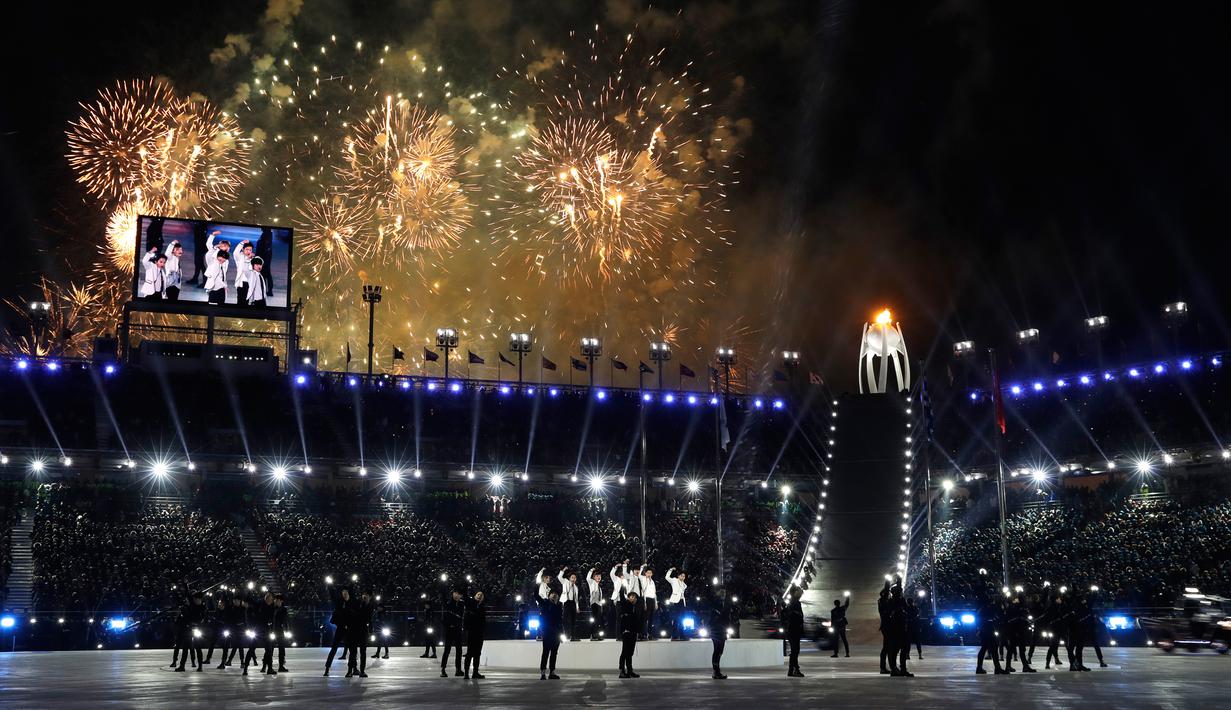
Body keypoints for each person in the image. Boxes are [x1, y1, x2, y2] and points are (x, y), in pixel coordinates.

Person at [324, 586, 354, 676]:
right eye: (343, 593)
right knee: (334, 648)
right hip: (341, 628)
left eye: (346, 592)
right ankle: (327, 669)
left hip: (349, 628)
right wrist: (330, 587)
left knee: (352, 650)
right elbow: (333, 596)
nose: (344, 594)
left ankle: (353, 669)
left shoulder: (352, 603)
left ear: (348, 593)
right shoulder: (339, 602)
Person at [709, 588, 739, 679]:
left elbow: (727, 616)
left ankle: (716, 671)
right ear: (717, 593)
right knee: (717, 651)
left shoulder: (725, 603)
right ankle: (716, 671)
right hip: (716, 630)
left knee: (719, 651)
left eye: (724, 592)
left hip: (722, 630)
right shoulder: (716, 603)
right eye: (721, 592)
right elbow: (713, 616)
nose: (723, 594)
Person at [174, 591, 206, 672]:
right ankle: (182, 665)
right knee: (185, 648)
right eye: (194, 599)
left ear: (200, 599)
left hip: (197, 629)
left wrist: (198, 625)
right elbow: (188, 594)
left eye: (197, 599)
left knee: (198, 648)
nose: (195, 600)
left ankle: (200, 666)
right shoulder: (192, 605)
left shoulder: (203, 608)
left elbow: (203, 620)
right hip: (189, 629)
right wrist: (185, 584)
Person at [975, 594, 1007, 674]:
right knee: (993, 648)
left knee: (984, 648)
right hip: (988, 630)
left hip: (985, 630)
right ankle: (997, 668)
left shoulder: (982, 609)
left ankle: (980, 667)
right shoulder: (987, 608)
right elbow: (994, 617)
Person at [539, 590, 564, 680]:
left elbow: (560, 621)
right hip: (547, 632)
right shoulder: (545, 603)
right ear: (549, 596)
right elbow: (536, 595)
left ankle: (552, 672)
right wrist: (537, 584)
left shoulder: (559, 605)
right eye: (552, 594)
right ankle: (542, 672)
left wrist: (561, 633)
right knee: (545, 652)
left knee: (554, 653)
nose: (554, 595)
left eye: (556, 594)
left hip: (556, 633)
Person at [441, 589, 465, 677]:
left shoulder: (462, 604)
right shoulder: (448, 603)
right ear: (453, 594)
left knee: (459, 650)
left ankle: (458, 669)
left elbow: (461, 616)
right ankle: (443, 669)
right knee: (447, 650)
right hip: (450, 630)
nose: (457, 595)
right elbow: (444, 618)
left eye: (459, 594)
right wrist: (449, 625)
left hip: (458, 629)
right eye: (456, 593)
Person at [348, 590, 373, 678]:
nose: (365, 596)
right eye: (364, 594)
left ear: (370, 597)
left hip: (363, 630)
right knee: (353, 652)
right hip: (354, 629)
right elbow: (352, 613)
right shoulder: (358, 603)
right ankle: (350, 671)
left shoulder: (369, 606)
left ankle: (362, 671)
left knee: (363, 652)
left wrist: (370, 631)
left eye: (367, 595)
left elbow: (369, 619)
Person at [782, 585, 805, 677]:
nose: (801, 593)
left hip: (791, 629)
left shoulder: (791, 603)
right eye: (799, 591)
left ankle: (791, 670)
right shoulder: (795, 603)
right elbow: (796, 617)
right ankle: (795, 669)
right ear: (795, 592)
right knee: (795, 650)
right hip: (794, 629)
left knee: (794, 650)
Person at [464, 590, 487, 679]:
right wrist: (467, 628)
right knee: (469, 653)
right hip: (472, 632)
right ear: (475, 596)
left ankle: (475, 672)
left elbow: (483, 621)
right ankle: (466, 673)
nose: (479, 596)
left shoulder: (482, 607)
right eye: (478, 594)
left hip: (479, 633)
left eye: (481, 595)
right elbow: (466, 618)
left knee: (477, 653)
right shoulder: (471, 605)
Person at [618, 590, 641, 678]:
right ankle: (622, 671)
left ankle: (630, 670)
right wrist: (622, 586)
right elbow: (621, 596)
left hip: (633, 632)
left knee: (630, 653)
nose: (633, 598)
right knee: (624, 652)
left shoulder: (635, 608)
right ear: (628, 597)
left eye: (634, 597)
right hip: (626, 632)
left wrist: (637, 632)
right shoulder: (626, 604)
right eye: (631, 596)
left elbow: (636, 621)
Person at [255, 591, 279, 676]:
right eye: (267, 598)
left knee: (269, 650)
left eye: (270, 598)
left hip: (270, 631)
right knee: (268, 650)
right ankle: (268, 667)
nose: (269, 600)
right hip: (263, 631)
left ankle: (266, 666)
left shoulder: (273, 608)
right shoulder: (262, 607)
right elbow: (260, 619)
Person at [665, 568, 688, 640]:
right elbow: (667, 577)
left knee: (682, 619)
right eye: (681, 576)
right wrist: (670, 570)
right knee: (676, 619)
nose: (683, 577)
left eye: (684, 576)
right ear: (678, 576)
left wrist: (684, 603)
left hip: (681, 602)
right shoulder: (674, 580)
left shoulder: (684, 585)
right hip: (675, 602)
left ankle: (682, 635)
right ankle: (674, 635)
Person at [558, 568, 580, 641]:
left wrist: (577, 607)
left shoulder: (576, 587)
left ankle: (573, 636)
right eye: (572, 577)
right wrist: (563, 570)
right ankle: (562, 635)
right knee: (564, 619)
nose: (574, 579)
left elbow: (576, 599)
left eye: (575, 578)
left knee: (573, 620)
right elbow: (559, 577)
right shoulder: (565, 582)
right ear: (569, 578)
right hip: (567, 602)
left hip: (573, 603)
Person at [639, 565, 658, 640]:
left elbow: (654, 593)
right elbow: (639, 575)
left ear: (652, 574)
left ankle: (650, 634)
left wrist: (656, 603)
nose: (649, 574)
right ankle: (643, 634)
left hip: (652, 600)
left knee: (651, 618)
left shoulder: (652, 582)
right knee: (645, 618)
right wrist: (642, 567)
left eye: (650, 573)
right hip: (646, 599)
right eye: (648, 573)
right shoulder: (643, 578)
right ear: (645, 573)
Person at [608, 563, 627, 637]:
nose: (623, 576)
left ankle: (623, 634)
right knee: (618, 618)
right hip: (618, 600)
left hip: (624, 601)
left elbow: (626, 591)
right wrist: (615, 567)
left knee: (624, 618)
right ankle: (618, 636)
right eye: (622, 575)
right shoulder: (616, 580)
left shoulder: (625, 582)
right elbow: (611, 574)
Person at [586, 568, 605, 641]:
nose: (599, 577)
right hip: (594, 603)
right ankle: (593, 635)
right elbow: (587, 578)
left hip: (598, 604)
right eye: (597, 576)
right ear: (593, 577)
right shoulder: (592, 582)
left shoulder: (599, 586)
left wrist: (601, 606)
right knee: (594, 620)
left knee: (598, 621)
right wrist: (591, 570)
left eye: (599, 575)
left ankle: (597, 634)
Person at [234, 241, 254, 307]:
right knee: (240, 301)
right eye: (247, 249)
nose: (248, 251)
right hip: (241, 282)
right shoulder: (239, 257)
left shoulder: (253, 259)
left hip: (249, 283)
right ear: (243, 249)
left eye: (250, 250)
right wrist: (241, 243)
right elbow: (235, 252)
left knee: (247, 301)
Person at [273, 593, 290, 672]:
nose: (276, 601)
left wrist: (287, 629)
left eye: (278, 600)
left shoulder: (284, 610)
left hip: (279, 630)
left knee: (281, 649)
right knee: (270, 649)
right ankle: (266, 665)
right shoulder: (272, 608)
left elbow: (286, 621)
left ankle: (281, 666)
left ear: (281, 601)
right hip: (272, 630)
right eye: (275, 600)